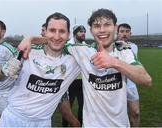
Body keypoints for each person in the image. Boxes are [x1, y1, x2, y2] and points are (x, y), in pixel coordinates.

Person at [18, 8, 152, 127]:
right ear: (91, 29)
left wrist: (114, 62)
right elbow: (56, 40)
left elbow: (146, 80)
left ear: (115, 27)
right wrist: (30, 38)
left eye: (107, 25)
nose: (102, 30)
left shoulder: (124, 51)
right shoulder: (81, 50)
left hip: (120, 124)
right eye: (96, 26)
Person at [0, 12, 80, 127]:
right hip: (13, 118)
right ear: (45, 31)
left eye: (62, 31)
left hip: (43, 122)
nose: (56, 36)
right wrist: (3, 71)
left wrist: (31, 38)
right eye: (52, 30)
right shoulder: (28, 51)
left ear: (68, 34)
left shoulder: (75, 57)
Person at [40, 22, 80, 127]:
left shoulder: (67, 50)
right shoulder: (33, 50)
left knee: (68, 115)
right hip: (41, 91)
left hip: (60, 90)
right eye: (42, 31)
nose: (41, 33)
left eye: (44, 31)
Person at [62, 25, 86, 127]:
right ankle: (64, 126)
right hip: (70, 82)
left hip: (82, 82)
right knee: (68, 108)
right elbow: (62, 62)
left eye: (84, 31)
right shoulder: (67, 46)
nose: (83, 33)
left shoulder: (86, 46)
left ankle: (80, 125)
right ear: (75, 33)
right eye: (80, 31)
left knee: (83, 107)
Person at [117, 23, 140, 127]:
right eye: (122, 31)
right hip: (117, 85)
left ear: (130, 33)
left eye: (127, 31)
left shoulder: (134, 47)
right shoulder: (112, 46)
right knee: (118, 116)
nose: (124, 34)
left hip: (131, 84)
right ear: (117, 33)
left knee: (135, 113)